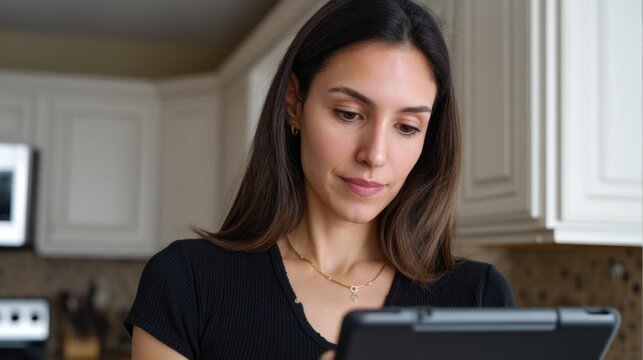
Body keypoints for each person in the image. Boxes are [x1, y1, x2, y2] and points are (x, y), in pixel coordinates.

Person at [124, 0, 514, 359]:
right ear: (294, 102)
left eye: (407, 127)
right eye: (349, 114)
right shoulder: (186, 282)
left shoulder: (477, 298)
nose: (375, 155)